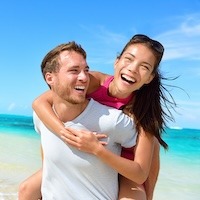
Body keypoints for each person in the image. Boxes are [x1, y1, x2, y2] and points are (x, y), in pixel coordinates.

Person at [19, 34, 176, 199]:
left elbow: (143, 171)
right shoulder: (93, 81)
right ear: (116, 62)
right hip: (90, 154)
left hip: (124, 165)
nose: (133, 69)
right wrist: (64, 133)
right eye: (129, 59)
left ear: (149, 78)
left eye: (144, 67)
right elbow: (39, 103)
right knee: (26, 189)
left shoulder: (144, 111)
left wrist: (96, 149)